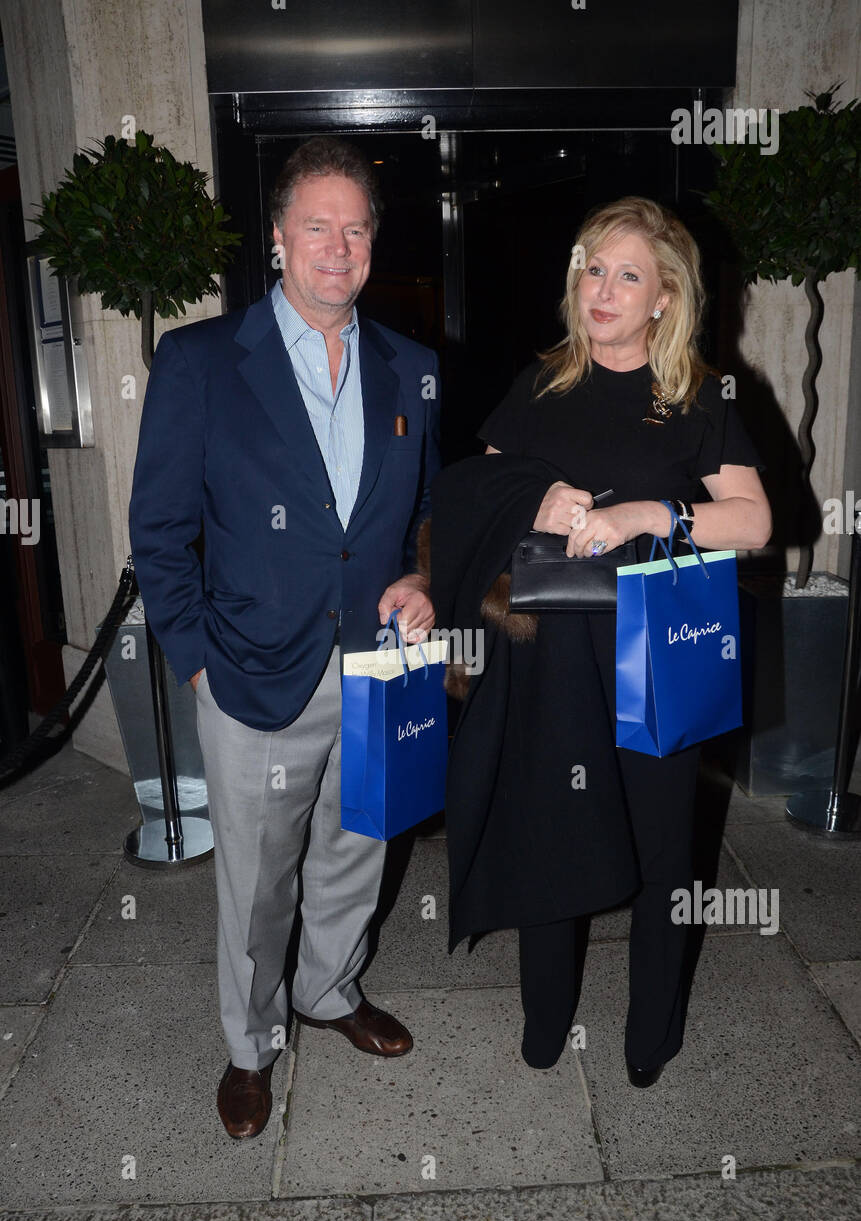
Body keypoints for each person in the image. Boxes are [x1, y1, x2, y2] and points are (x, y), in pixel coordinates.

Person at [129, 136, 440, 1138]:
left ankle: (330, 990)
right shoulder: (201, 360)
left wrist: (426, 575)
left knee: (358, 846)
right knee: (258, 881)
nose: (338, 246)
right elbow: (160, 529)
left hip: (378, 664)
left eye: (356, 226)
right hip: (253, 673)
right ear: (277, 239)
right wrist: (199, 661)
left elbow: (429, 512)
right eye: (317, 225)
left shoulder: (414, 369)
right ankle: (250, 1042)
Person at [429, 196, 770, 1085]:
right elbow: (479, 502)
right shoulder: (539, 382)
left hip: (653, 653)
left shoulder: (694, 393)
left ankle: (649, 1036)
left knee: (664, 849)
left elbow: (754, 521)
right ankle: (545, 1019)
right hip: (544, 654)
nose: (603, 288)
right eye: (592, 267)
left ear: (664, 297)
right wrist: (531, 501)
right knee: (552, 828)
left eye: (627, 275)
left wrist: (649, 512)